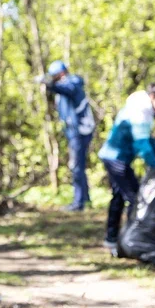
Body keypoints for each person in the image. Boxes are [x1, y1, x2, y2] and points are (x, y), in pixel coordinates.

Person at [98, 83, 155, 255]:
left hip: (114, 156)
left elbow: (145, 141)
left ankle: (111, 239)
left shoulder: (138, 107)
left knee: (118, 197)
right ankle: (132, 241)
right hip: (116, 158)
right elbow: (141, 144)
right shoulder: (141, 111)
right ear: (153, 97)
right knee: (134, 198)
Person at [39, 60, 96, 211]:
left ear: (61, 74)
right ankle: (85, 199)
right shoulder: (64, 85)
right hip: (73, 131)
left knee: (76, 166)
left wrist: (49, 84)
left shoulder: (73, 82)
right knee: (78, 166)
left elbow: (66, 89)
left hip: (80, 131)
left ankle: (79, 203)